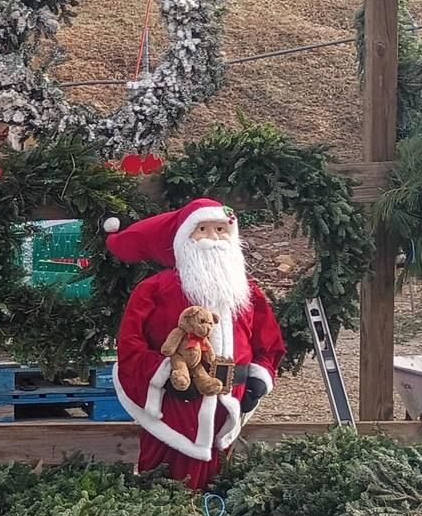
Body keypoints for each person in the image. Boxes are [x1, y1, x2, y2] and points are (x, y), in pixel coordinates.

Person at [104, 197, 287, 491]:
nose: (213, 239)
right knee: (163, 482)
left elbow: (269, 344)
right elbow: (130, 345)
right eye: (202, 229)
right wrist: (165, 376)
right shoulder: (154, 289)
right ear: (183, 239)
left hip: (228, 407)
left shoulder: (246, 292)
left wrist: (257, 382)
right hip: (173, 407)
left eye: (220, 230)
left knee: (219, 481)